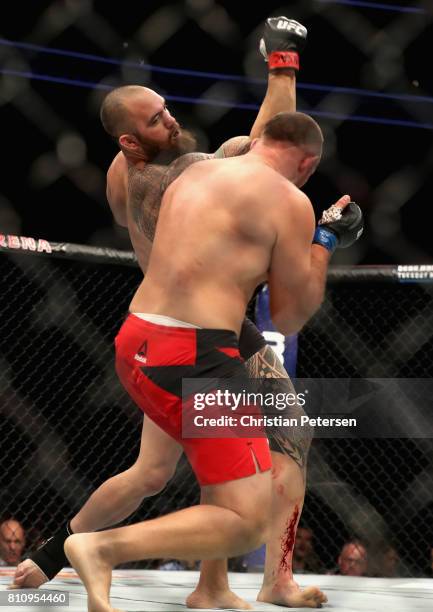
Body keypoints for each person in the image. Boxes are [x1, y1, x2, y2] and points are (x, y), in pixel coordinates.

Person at [13, 17, 330, 609]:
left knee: (153, 471)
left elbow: (256, 154)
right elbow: (262, 156)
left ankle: (63, 552)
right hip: (205, 336)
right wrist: (282, 65)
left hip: (160, 335)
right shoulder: (164, 179)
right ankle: (267, 578)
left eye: (166, 108)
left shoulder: (147, 169)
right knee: (284, 441)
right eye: (156, 119)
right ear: (129, 142)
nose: (171, 120)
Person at [63, 111, 363, 612]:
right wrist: (326, 241)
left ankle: (212, 587)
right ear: (308, 164)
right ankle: (99, 548)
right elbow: (289, 315)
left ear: (256, 139)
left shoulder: (196, 171)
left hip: (138, 338)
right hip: (197, 354)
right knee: (244, 519)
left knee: (185, 471)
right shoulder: (290, 201)